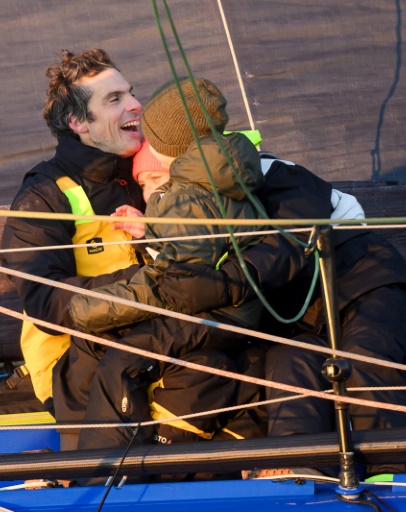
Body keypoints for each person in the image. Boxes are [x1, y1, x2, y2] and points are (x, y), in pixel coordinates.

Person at [156, 145, 406, 475]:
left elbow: (289, 243)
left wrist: (228, 281)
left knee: (364, 360)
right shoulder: (171, 238)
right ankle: (297, 469)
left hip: (370, 287)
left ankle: (392, 482)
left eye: (160, 175)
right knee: (288, 359)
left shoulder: (268, 171)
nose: (158, 188)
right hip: (307, 330)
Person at [68, 78, 268, 452]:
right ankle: (84, 454)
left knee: (120, 364)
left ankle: (101, 472)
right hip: (228, 310)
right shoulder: (221, 177)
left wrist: (87, 305)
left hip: (217, 314)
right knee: (105, 345)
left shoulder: (185, 195)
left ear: (169, 149)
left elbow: (178, 285)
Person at [0, 48, 146, 447]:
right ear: (78, 122)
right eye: (114, 100)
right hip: (73, 366)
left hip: (151, 338)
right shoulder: (43, 193)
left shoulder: (152, 171)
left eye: (130, 93)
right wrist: (146, 291)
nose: (136, 104)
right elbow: (45, 301)